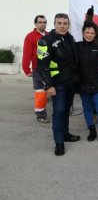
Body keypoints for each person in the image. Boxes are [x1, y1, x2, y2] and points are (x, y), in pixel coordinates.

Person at [37, 13, 81, 156]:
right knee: (58, 112)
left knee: (66, 110)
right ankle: (59, 143)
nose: (62, 26)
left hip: (70, 82)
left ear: (68, 25)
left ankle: (65, 134)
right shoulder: (45, 41)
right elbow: (42, 66)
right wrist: (48, 86)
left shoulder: (70, 38)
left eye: (65, 23)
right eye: (59, 23)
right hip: (57, 83)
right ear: (54, 24)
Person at [22, 15, 50, 123]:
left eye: (44, 22)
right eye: (40, 22)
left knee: (49, 92)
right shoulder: (30, 37)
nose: (42, 24)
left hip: (49, 68)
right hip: (37, 69)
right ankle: (41, 115)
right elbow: (26, 54)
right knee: (40, 93)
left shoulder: (49, 35)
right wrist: (26, 70)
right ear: (35, 24)